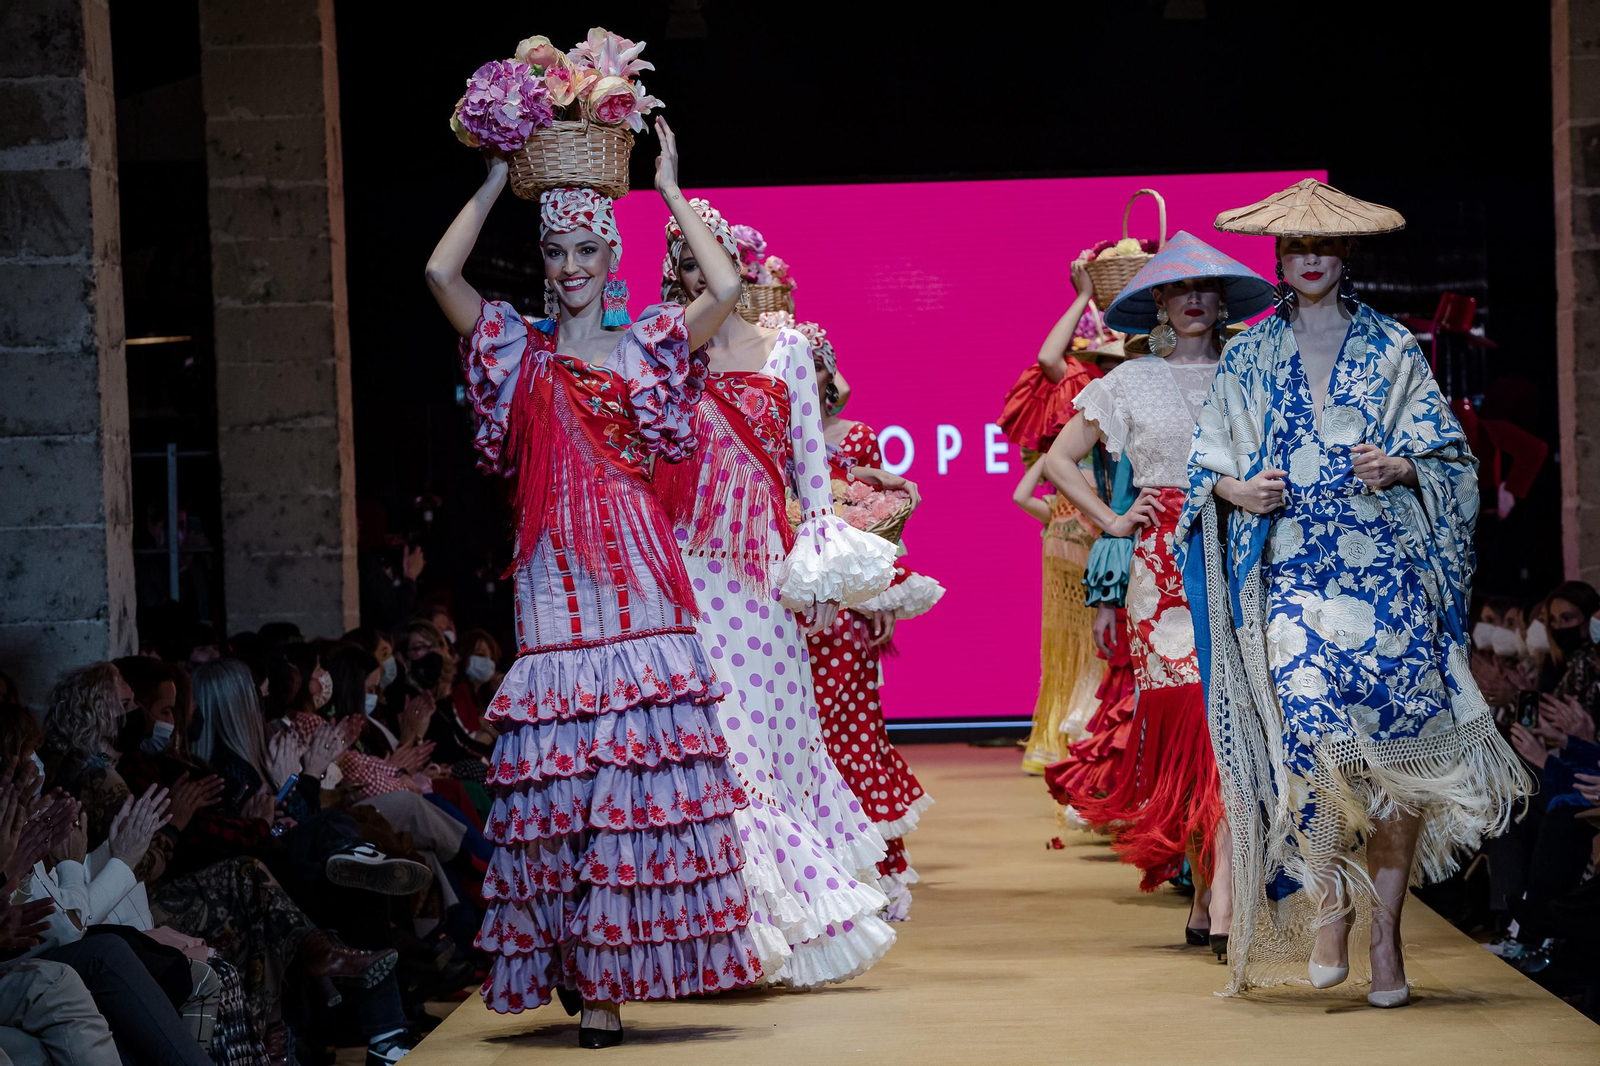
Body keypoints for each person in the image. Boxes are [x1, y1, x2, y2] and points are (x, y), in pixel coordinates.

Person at [425, 118, 761, 1046]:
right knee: (562, 787)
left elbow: (727, 289)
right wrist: (493, 183)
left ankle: (607, 984)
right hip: (552, 580)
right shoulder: (516, 348)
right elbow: (439, 275)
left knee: (632, 779)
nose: (570, 265)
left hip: (637, 574)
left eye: (586, 248)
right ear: (542, 260)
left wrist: (670, 190)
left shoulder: (646, 343)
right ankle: (577, 962)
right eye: (556, 250)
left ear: (612, 256)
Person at [1179, 179, 1533, 1003]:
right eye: (1296, 246)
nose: (1310, 258)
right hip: (1294, 574)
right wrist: (1236, 491)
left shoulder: (1393, 349)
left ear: (1345, 256)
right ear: (1279, 258)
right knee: (1309, 736)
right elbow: (1204, 467)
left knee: (1399, 761)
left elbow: (1453, 461)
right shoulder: (1250, 355)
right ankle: (1331, 902)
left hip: (1389, 578)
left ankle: (1386, 934)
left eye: (1325, 245)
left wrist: (1402, 466)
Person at [654, 206, 901, 979]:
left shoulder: (787, 347)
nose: (704, 274)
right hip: (689, 580)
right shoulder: (666, 349)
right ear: (678, 276)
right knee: (721, 752)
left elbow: (810, 471)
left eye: (715, 260)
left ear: (740, 268)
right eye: (689, 263)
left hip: (761, 585)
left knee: (771, 752)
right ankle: (720, 942)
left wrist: (819, 574)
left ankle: (780, 936)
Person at [1044, 232, 1275, 959]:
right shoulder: (1129, 380)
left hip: (1243, 552)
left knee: (1238, 723)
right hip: (1164, 566)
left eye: (1205, 288)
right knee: (1192, 725)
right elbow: (1058, 461)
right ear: (1160, 306)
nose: (1194, 300)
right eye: (1179, 290)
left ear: (1223, 302)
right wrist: (1113, 520)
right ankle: (1212, 886)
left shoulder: (1251, 372)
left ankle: (1218, 896)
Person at [788, 320, 941, 921]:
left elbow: (881, 532)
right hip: (786, 608)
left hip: (847, 612)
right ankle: (810, 876)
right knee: (798, 737)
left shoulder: (857, 438)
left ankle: (871, 872)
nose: (803, 377)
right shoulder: (770, 436)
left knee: (852, 734)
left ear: (827, 372)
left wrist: (884, 601)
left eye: (811, 366)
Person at [1005, 262, 1112, 773]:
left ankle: (1105, 756)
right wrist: (1084, 295)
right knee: (1078, 651)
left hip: (1117, 543)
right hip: (1077, 545)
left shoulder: (1147, 383)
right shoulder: (1084, 386)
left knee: (1110, 655)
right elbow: (1050, 357)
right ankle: (1079, 755)